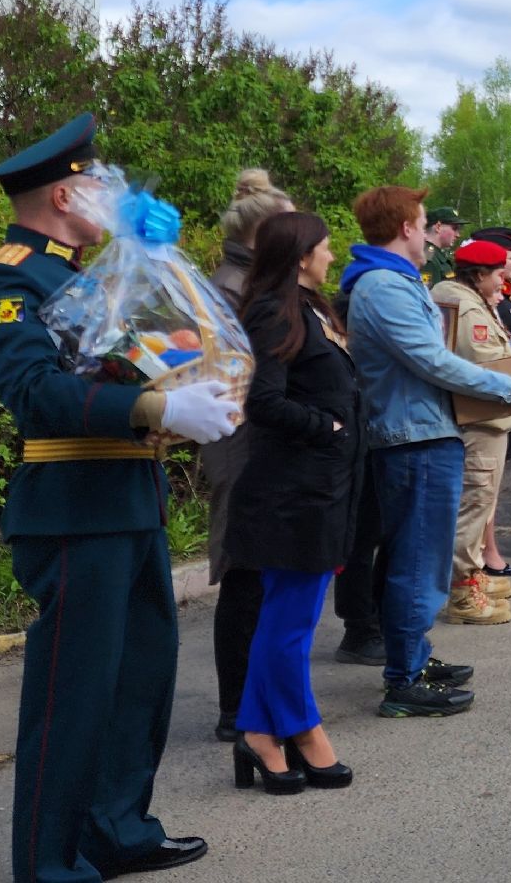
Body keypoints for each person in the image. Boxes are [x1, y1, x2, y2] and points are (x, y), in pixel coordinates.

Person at [0, 114, 235, 881]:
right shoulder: (10, 277)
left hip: (128, 496)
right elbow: (36, 394)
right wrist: (155, 409)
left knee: (138, 681)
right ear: (62, 193)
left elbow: (126, 359)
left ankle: (116, 829)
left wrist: (185, 371)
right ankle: (50, 865)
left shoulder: (93, 273)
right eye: (98, 183)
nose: (111, 194)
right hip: (75, 509)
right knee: (73, 698)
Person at [342, 186, 511, 718]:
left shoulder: (394, 281)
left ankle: (413, 656)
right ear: (407, 228)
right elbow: (430, 360)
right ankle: (404, 681)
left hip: (423, 433)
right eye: (425, 221)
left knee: (421, 557)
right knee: (418, 560)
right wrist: (510, 389)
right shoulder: (384, 286)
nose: (433, 230)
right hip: (415, 438)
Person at [226, 211, 363, 795]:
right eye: (326, 248)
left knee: (291, 619)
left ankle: (257, 733)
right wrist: (325, 428)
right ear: (302, 255)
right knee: (289, 624)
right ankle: (304, 730)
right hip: (291, 494)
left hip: (320, 489)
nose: (332, 256)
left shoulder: (309, 308)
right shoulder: (273, 310)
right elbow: (263, 401)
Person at [203, 169, 293, 741]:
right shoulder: (231, 286)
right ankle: (235, 708)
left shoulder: (254, 279)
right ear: (263, 232)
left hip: (259, 441)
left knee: (261, 571)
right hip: (241, 444)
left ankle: (253, 700)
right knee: (244, 570)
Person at [432, 239, 511, 624]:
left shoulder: (470, 299)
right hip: (477, 422)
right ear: (479, 275)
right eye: (499, 274)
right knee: (474, 504)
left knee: (482, 502)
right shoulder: (465, 304)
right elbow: (482, 363)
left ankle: (472, 575)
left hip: (484, 419)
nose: (505, 280)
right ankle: (463, 591)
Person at [421, 206, 465, 286]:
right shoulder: (428, 259)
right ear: (438, 227)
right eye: (454, 228)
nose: (458, 235)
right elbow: (428, 293)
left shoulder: (436, 256)